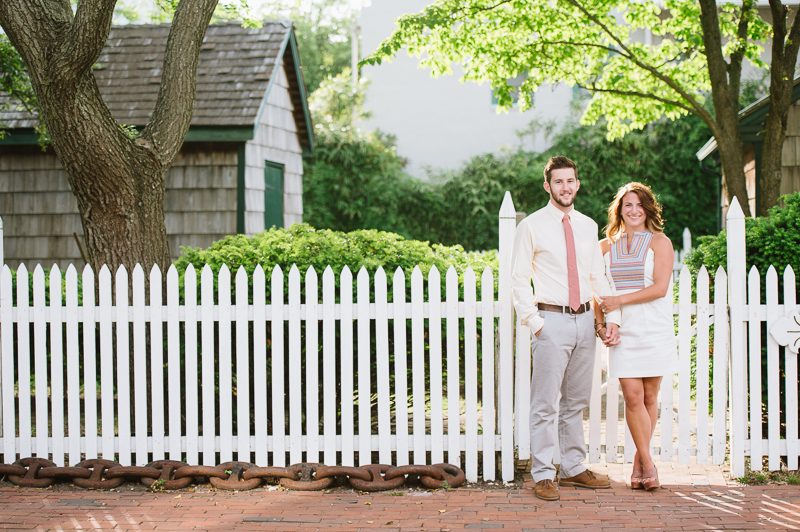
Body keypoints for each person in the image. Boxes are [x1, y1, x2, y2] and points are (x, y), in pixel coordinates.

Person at [511, 156, 621, 501]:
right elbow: (518, 278)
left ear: (578, 183)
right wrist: (536, 323)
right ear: (548, 186)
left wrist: (608, 317)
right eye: (558, 182)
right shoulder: (531, 225)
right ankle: (543, 474)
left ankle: (573, 467)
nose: (565, 187)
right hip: (551, 321)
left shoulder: (588, 225)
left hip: (586, 320)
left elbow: (595, 275)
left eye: (570, 181)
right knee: (544, 404)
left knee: (576, 401)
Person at [597, 182, 678, 491]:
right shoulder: (604, 246)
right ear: (619, 210)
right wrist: (601, 325)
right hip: (621, 330)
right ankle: (648, 461)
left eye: (639, 205)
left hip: (653, 327)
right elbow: (596, 292)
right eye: (627, 205)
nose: (633, 210)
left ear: (648, 209)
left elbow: (660, 288)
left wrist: (620, 300)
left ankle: (639, 461)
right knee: (631, 396)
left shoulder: (660, 242)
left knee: (648, 397)